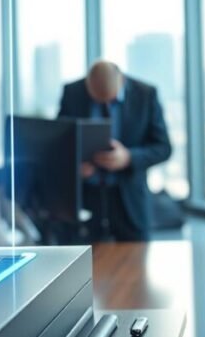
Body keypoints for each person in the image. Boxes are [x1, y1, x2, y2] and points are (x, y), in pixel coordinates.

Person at [58, 60, 171, 242]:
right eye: (98, 101)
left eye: (111, 100)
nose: (106, 105)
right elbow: (59, 144)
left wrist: (128, 158)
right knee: (87, 266)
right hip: (86, 200)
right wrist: (74, 166)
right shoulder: (72, 93)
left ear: (122, 81)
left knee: (133, 266)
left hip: (129, 202)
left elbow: (164, 148)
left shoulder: (145, 95)